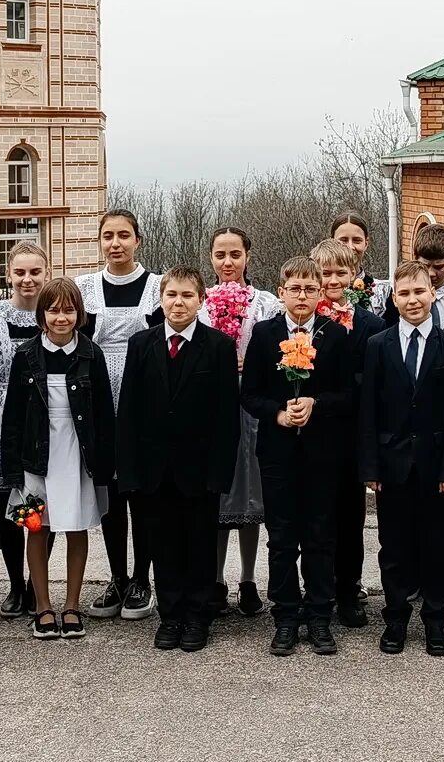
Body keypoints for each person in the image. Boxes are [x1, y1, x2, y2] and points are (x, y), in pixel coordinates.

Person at [118, 267, 241, 652]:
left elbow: (226, 416)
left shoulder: (218, 346)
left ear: (201, 300)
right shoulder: (141, 344)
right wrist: (131, 470)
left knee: (199, 543)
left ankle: (197, 615)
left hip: (200, 468)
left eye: (187, 295)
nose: (178, 302)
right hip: (155, 469)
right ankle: (170, 614)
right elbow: (130, 412)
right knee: (163, 542)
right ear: (161, 298)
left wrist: (221, 472)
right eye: (171, 295)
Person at [241, 256, 353, 656]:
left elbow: (347, 394)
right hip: (278, 452)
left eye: (310, 288)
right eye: (295, 289)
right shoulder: (265, 333)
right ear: (282, 291)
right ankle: (286, 616)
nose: (302, 296)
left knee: (321, 535)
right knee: (283, 536)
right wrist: (277, 412)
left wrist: (314, 403)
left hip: (323, 453)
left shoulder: (334, 335)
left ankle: (320, 616)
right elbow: (249, 392)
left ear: (320, 292)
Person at [358, 261, 444, 657]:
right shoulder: (378, 345)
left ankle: (436, 621)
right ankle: (396, 618)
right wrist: (370, 466)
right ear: (394, 298)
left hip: (438, 467)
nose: (412, 299)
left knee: (438, 544)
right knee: (395, 546)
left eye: (419, 291)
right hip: (393, 465)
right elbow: (368, 410)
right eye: (403, 293)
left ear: (432, 293)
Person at [0, 278, 115, 642]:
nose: (60, 317)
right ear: (42, 315)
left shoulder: (91, 354)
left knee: (77, 526)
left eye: (68, 310)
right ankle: (44, 606)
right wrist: (12, 468)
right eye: (53, 310)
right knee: (37, 526)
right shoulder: (27, 355)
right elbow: (13, 415)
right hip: (37, 454)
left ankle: (71, 605)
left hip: (78, 453)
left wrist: (106, 462)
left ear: (78, 313)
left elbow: (103, 414)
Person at [383, 222, 444, 603]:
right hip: (406, 415)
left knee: (443, 513)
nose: (435, 272)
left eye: (440, 266)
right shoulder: (404, 304)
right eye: (427, 264)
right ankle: (410, 577)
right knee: (405, 519)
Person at [75, 209, 164, 620]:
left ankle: (143, 579)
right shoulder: (85, 288)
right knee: (109, 494)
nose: (116, 243)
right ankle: (117, 577)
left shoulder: (158, 287)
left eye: (124, 235)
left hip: (145, 397)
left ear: (138, 240)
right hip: (97, 396)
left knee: (141, 493)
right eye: (108, 235)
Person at [199, 226, 281, 617]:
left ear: (248, 256)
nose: (227, 263)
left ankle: (248, 579)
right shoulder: (200, 302)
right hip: (214, 407)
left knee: (251, 496)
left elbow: (276, 351)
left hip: (252, 406)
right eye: (220, 255)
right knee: (217, 494)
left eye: (235, 254)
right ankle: (215, 579)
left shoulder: (265, 304)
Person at [310, 237, 385, 628]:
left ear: (354, 275)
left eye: (341, 272)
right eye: (325, 273)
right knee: (318, 516)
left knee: (350, 517)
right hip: (315, 432)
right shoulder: (308, 321)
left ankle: (349, 589)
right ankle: (318, 587)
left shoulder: (371, 324)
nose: (333, 279)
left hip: (353, 433)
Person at [0, 242, 50, 618]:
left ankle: (36, 584)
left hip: (42, 419)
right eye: (20, 272)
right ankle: (15, 585)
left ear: (46, 273)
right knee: (9, 508)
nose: (28, 279)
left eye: (35, 272)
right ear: (9, 275)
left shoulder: (55, 314)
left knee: (40, 506)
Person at [331, 211, 389, 316]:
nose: (350, 246)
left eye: (357, 241)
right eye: (343, 240)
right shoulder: (319, 290)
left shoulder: (383, 292)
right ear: (332, 242)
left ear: (366, 244)